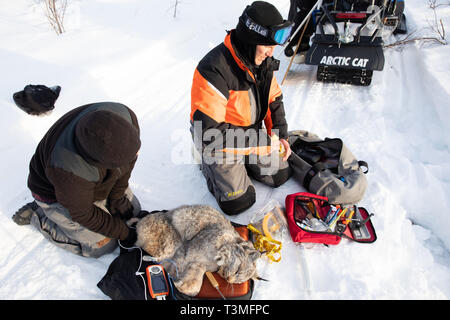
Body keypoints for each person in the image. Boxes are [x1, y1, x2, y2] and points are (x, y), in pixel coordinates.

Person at [190, 1, 293, 216]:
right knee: (239, 202)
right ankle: (205, 162)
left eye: (274, 47)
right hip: (217, 139)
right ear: (251, 40)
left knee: (280, 175)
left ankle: (243, 159)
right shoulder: (213, 69)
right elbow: (210, 133)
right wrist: (263, 142)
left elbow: (274, 99)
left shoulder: (262, 62)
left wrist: (280, 135)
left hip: (249, 134)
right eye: (267, 46)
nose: (271, 53)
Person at [12, 102, 142, 258]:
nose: (136, 155)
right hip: (55, 194)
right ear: (100, 162)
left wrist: (117, 197)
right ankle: (38, 215)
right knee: (104, 245)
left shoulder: (125, 117)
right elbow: (84, 214)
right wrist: (125, 234)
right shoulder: (67, 169)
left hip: (87, 185)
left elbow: (129, 162)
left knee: (134, 211)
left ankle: (101, 200)